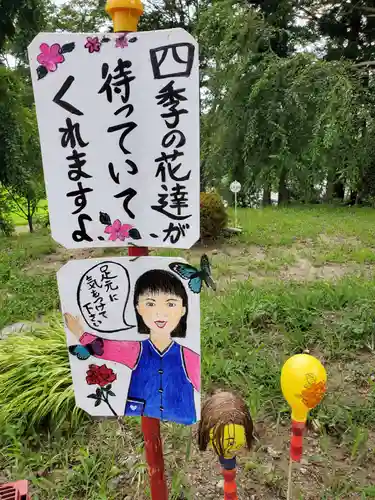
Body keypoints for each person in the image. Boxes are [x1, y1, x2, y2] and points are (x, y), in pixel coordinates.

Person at [65, 269, 200, 425]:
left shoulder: (188, 356)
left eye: (170, 304)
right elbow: (104, 348)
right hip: (141, 417)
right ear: (138, 307)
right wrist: (80, 333)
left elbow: (200, 382)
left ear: (183, 309)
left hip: (181, 421)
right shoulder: (135, 350)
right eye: (150, 303)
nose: (160, 313)